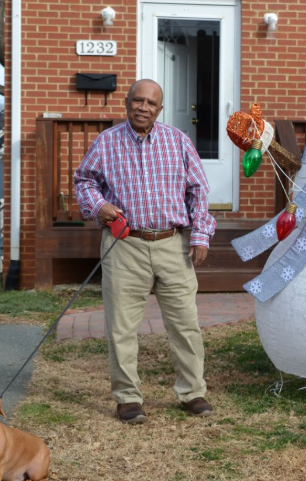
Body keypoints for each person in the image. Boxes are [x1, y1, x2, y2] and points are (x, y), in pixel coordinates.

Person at [74, 79, 217, 424]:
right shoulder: (106, 142)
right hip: (125, 245)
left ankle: (193, 392)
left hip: (173, 244)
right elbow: (84, 181)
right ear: (126, 103)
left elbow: (198, 190)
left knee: (185, 324)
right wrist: (100, 206)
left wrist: (200, 236)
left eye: (151, 103)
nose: (143, 107)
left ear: (160, 109)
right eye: (137, 101)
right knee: (121, 327)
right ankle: (127, 398)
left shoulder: (178, 141)